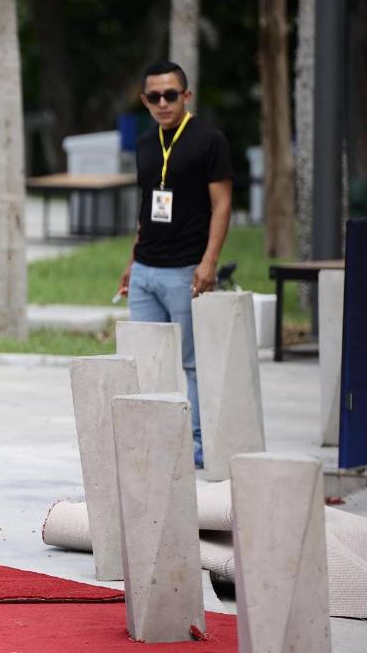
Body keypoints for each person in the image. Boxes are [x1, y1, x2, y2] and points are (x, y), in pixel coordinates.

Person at [118, 61, 233, 467]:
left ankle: (199, 445)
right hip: (147, 268)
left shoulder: (208, 140)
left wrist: (209, 262)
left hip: (187, 270)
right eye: (154, 97)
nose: (163, 103)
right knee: (146, 360)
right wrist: (133, 259)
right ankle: (153, 439)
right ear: (145, 100)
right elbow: (147, 205)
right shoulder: (147, 144)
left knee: (192, 363)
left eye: (171, 95)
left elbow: (221, 206)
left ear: (186, 96)